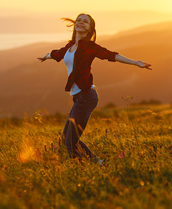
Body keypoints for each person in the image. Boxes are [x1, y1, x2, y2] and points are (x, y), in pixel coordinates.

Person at [38, 13, 151, 164]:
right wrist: (45, 57)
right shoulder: (69, 47)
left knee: (71, 141)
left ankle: (86, 168)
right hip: (78, 97)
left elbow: (111, 55)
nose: (81, 23)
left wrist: (135, 62)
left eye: (86, 22)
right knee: (67, 138)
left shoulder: (90, 47)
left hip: (87, 96)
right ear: (75, 25)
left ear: (91, 28)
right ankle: (98, 163)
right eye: (79, 20)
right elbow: (56, 54)